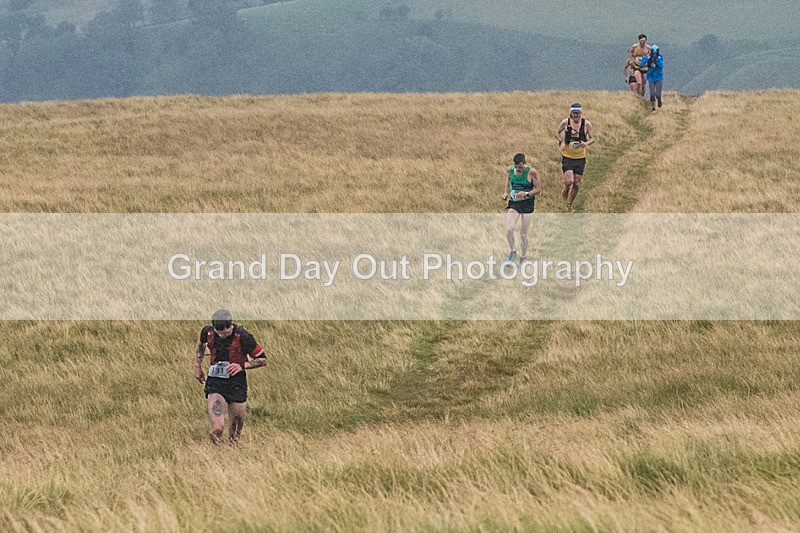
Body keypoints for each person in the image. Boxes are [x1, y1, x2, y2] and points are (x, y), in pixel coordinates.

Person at [194, 308, 267, 444]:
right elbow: (201, 345)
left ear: (231, 324)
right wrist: (198, 366)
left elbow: (262, 359)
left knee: (235, 434)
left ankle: (231, 454)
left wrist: (242, 365)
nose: (222, 336)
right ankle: (213, 450)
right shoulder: (207, 332)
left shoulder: (244, 336)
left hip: (237, 384)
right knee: (218, 427)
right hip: (216, 383)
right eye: (219, 333)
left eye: (226, 333)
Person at [501, 153, 540, 264]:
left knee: (523, 234)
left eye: (521, 167)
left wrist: (526, 193)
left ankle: (523, 257)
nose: (518, 169)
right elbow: (508, 180)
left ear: (525, 164)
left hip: (527, 204)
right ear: (514, 164)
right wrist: (505, 192)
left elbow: (538, 189)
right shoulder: (510, 170)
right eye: (516, 167)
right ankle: (513, 251)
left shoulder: (532, 172)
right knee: (509, 228)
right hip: (514, 203)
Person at [556, 103, 594, 212]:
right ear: (571, 113)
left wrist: (586, 144)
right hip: (568, 155)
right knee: (569, 181)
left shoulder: (586, 124)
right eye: (574, 113)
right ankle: (566, 189)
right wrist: (561, 141)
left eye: (578, 113)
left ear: (581, 113)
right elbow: (557, 133)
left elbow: (592, 138)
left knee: (577, 183)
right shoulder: (565, 122)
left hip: (580, 157)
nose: (576, 115)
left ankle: (569, 203)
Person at [640, 44, 664, 110]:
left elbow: (661, 66)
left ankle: (659, 100)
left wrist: (656, 59)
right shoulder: (648, 57)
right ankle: (653, 107)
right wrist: (648, 58)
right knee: (652, 94)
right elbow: (641, 64)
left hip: (659, 77)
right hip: (651, 77)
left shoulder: (660, 57)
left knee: (658, 94)